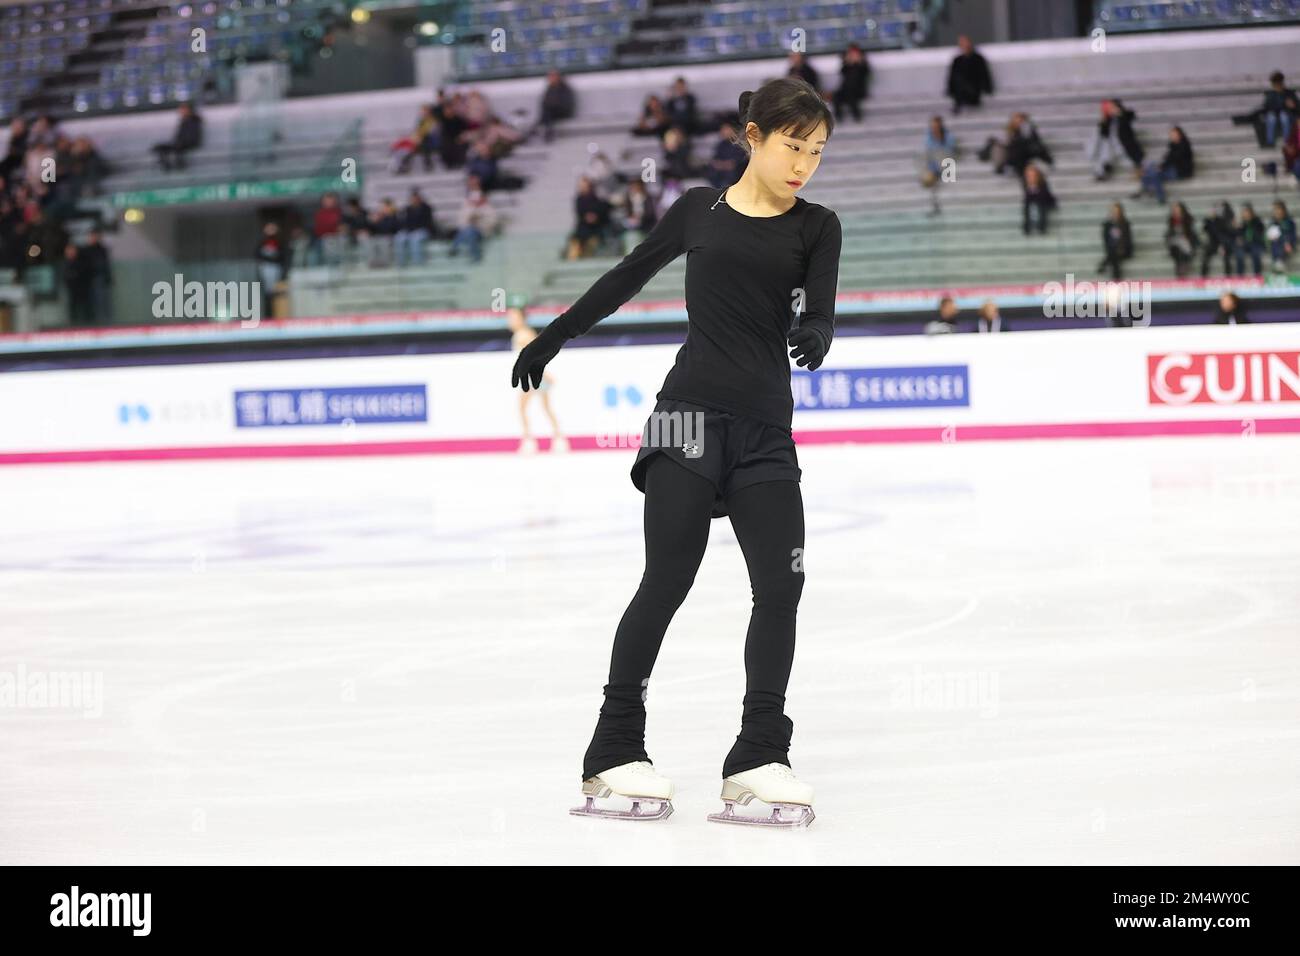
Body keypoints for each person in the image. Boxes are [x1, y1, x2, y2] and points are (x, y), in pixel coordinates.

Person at [514, 77, 839, 826]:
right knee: (667, 579)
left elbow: (819, 308)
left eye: (817, 152)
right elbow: (628, 276)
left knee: (781, 588)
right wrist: (555, 332)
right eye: (794, 146)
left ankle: (758, 754)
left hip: (764, 429)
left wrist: (816, 334)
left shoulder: (817, 226)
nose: (804, 165)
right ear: (752, 137)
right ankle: (613, 749)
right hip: (683, 418)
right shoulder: (698, 208)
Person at [506, 303, 567, 454]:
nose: (510, 320)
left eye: (513, 317)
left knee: (523, 407)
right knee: (546, 408)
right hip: (536, 375)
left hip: (533, 376)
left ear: (522, 318)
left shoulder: (522, 335)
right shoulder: (526, 333)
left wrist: (544, 374)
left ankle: (529, 441)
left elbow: (535, 356)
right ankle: (559, 439)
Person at [1085, 99, 1143, 181]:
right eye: (1109, 108)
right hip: (1112, 145)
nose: (1110, 109)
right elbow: (1103, 134)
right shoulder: (1108, 119)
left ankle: (1105, 168)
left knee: (1107, 149)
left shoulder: (1124, 115)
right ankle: (1102, 170)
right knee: (1103, 147)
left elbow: (1132, 116)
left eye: (1112, 107)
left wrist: (1120, 113)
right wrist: (1103, 121)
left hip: (1124, 143)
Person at [1133, 125, 1193, 204]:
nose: (1171, 136)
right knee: (1151, 168)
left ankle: (1152, 192)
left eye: (1174, 134)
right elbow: (1168, 158)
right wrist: (1161, 166)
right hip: (1173, 168)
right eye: (1171, 134)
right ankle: (1149, 190)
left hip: (1181, 171)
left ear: (1180, 134)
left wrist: (1162, 167)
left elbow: (1174, 158)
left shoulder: (1184, 145)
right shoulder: (1173, 144)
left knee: (1155, 173)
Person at [449, 177, 500, 263]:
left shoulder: (485, 201)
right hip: (468, 228)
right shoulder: (467, 202)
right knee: (468, 230)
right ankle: (457, 247)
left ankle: (458, 248)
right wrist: (469, 219)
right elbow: (462, 218)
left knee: (470, 232)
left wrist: (479, 218)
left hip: (481, 229)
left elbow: (492, 219)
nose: (473, 186)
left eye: (475, 184)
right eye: (471, 185)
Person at [566, 175, 611, 259]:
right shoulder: (579, 200)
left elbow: (603, 210)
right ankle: (573, 258)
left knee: (592, 243)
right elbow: (580, 214)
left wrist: (595, 216)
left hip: (596, 229)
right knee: (575, 241)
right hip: (583, 229)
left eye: (585, 186)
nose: (583, 188)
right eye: (581, 186)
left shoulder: (597, 199)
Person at [946, 35, 993, 113]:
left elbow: (984, 75)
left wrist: (987, 89)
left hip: (975, 93)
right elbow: (952, 78)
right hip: (960, 95)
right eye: (962, 44)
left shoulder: (978, 59)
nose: (965, 46)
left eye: (966, 43)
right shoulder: (957, 61)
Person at [920, 115, 956, 216]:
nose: (934, 128)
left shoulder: (948, 137)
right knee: (928, 178)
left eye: (936, 126)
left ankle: (937, 204)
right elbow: (928, 152)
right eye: (932, 126)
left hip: (946, 163)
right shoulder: (929, 138)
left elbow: (949, 153)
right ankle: (935, 206)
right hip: (934, 166)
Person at [151, 102, 202, 171]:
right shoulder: (183, 121)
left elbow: (193, 136)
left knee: (178, 148)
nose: (181, 111)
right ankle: (167, 166)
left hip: (189, 143)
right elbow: (178, 136)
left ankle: (180, 166)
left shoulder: (194, 121)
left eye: (183, 109)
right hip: (180, 143)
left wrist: (182, 141)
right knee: (160, 148)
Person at [254, 221, 289, 317]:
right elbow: (258, 255)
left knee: (276, 293)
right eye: (268, 228)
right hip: (265, 269)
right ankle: (267, 315)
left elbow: (282, 257)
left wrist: (271, 259)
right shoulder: (262, 242)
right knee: (267, 294)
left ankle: (277, 314)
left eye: (272, 228)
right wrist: (269, 258)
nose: (270, 231)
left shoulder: (280, 242)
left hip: (276, 269)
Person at [394, 190, 435, 267]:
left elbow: (427, 223)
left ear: (419, 199)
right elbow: (404, 223)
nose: (414, 200)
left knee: (415, 239)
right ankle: (401, 263)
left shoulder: (426, 208)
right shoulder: (408, 209)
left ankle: (417, 263)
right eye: (412, 199)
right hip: (410, 230)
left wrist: (414, 229)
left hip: (423, 230)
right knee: (399, 237)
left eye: (415, 199)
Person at [1259, 71, 1298, 148]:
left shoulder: (1289, 93)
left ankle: (1287, 140)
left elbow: (1296, 105)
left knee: (1284, 116)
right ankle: (1270, 141)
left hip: (1286, 114)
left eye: (1279, 83)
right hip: (1273, 113)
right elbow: (1266, 107)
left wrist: (1293, 105)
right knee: (1271, 117)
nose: (1278, 85)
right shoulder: (1270, 94)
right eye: (1276, 83)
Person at [1201, 202, 1240, 277]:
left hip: (1222, 243)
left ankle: (1228, 276)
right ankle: (1204, 276)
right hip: (1212, 244)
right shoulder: (1208, 221)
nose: (1213, 212)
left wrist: (1221, 245)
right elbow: (1205, 230)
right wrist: (1209, 221)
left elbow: (1224, 234)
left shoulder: (1221, 221)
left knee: (1226, 256)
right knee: (1205, 257)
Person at [832, 44, 870, 122]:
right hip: (845, 90)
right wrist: (848, 63)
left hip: (858, 91)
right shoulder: (846, 66)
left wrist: (858, 64)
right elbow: (843, 73)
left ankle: (857, 116)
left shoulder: (863, 66)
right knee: (836, 96)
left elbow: (863, 75)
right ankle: (838, 117)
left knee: (851, 96)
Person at [706, 121, 748, 189]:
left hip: (737, 174)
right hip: (720, 173)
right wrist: (721, 164)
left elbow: (735, 163)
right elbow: (715, 161)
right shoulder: (721, 144)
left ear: (733, 129)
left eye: (725, 129)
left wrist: (723, 164)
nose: (722, 131)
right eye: (722, 129)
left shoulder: (740, 145)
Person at [537, 69, 575, 143]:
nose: (551, 78)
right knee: (547, 113)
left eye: (553, 76)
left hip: (563, 111)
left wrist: (552, 104)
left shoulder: (565, 88)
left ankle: (545, 131)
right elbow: (544, 102)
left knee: (547, 113)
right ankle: (544, 130)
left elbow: (566, 103)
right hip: (551, 112)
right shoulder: (549, 88)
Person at [1098, 203, 1133, 280]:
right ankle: (1117, 277)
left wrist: (1122, 247)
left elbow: (1128, 239)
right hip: (1112, 250)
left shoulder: (1125, 224)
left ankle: (1104, 264)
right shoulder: (1107, 225)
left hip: (1123, 249)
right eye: (1113, 212)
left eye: (1117, 212)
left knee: (1113, 254)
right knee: (1113, 254)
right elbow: (1106, 240)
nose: (1115, 214)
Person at [1165, 202, 1198, 278]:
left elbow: (1191, 233)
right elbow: (1170, 233)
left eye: (1177, 209)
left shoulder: (1188, 218)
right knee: (1177, 247)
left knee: (1183, 247)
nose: (1176, 211)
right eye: (1174, 210)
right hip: (1176, 242)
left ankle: (1183, 266)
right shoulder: (1171, 220)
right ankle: (1181, 267)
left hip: (1187, 241)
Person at [1022, 164, 1055, 236]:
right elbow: (1027, 199)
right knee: (1027, 207)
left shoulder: (1043, 184)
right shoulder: (1026, 184)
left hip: (1045, 202)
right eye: (1028, 175)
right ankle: (1027, 226)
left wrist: (1034, 190)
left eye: (1032, 175)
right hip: (1033, 202)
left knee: (1041, 206)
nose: (1030, 177)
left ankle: (1042, 226)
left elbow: (1046, 196)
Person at [1267, 201, 1296, 273]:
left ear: (1283, 210)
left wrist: (1289, 242)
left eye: (1278, 209)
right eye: (1275, 210)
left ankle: (1279, 262)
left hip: (1288, 243)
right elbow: (1268, 234)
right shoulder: (1272, 222)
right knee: (1275, 242)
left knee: (1283, 242)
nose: (1277, 212)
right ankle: (1278, 261)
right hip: (1276, 243)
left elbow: (1292, 234)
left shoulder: (1289, 221)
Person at [1237, 203, 1265, 276]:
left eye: (1247, 213)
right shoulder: (1242, 223)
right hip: (1245, 244)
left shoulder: (1257, 222)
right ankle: (1240, 276)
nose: (1246, 215)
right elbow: (1239, 235)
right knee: (1239, 254)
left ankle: (1257, 274)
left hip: (1255, 243)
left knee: (1255, 254)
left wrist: (1251, 224)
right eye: (1244, 213)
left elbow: (1259, 235)